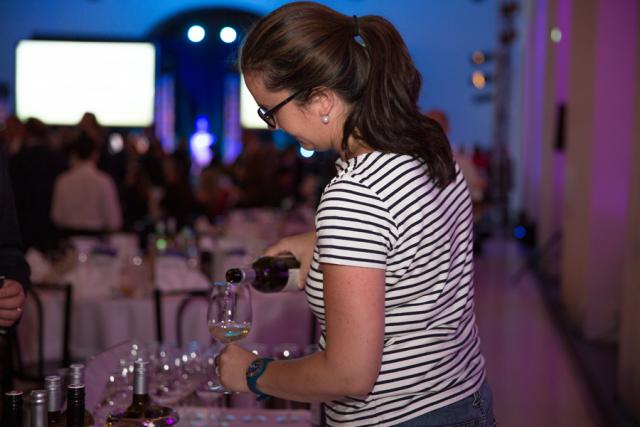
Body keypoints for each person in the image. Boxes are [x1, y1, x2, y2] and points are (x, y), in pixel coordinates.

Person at [216, 3, 495, 426]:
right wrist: (313, 245)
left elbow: (349, 375)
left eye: (270, 111)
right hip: (463, 396)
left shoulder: (354, 195)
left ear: (322, 99)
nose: (274, 127)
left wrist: (252, 373)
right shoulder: (426, 144)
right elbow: (412, 238)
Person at [51, 132, 123, 236]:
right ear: (95, 155)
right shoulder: (104, 181)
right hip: (97, 245)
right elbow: (114, 222)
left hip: (70, 243)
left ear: (73, 155)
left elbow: (56, 217)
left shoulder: (62, 180)